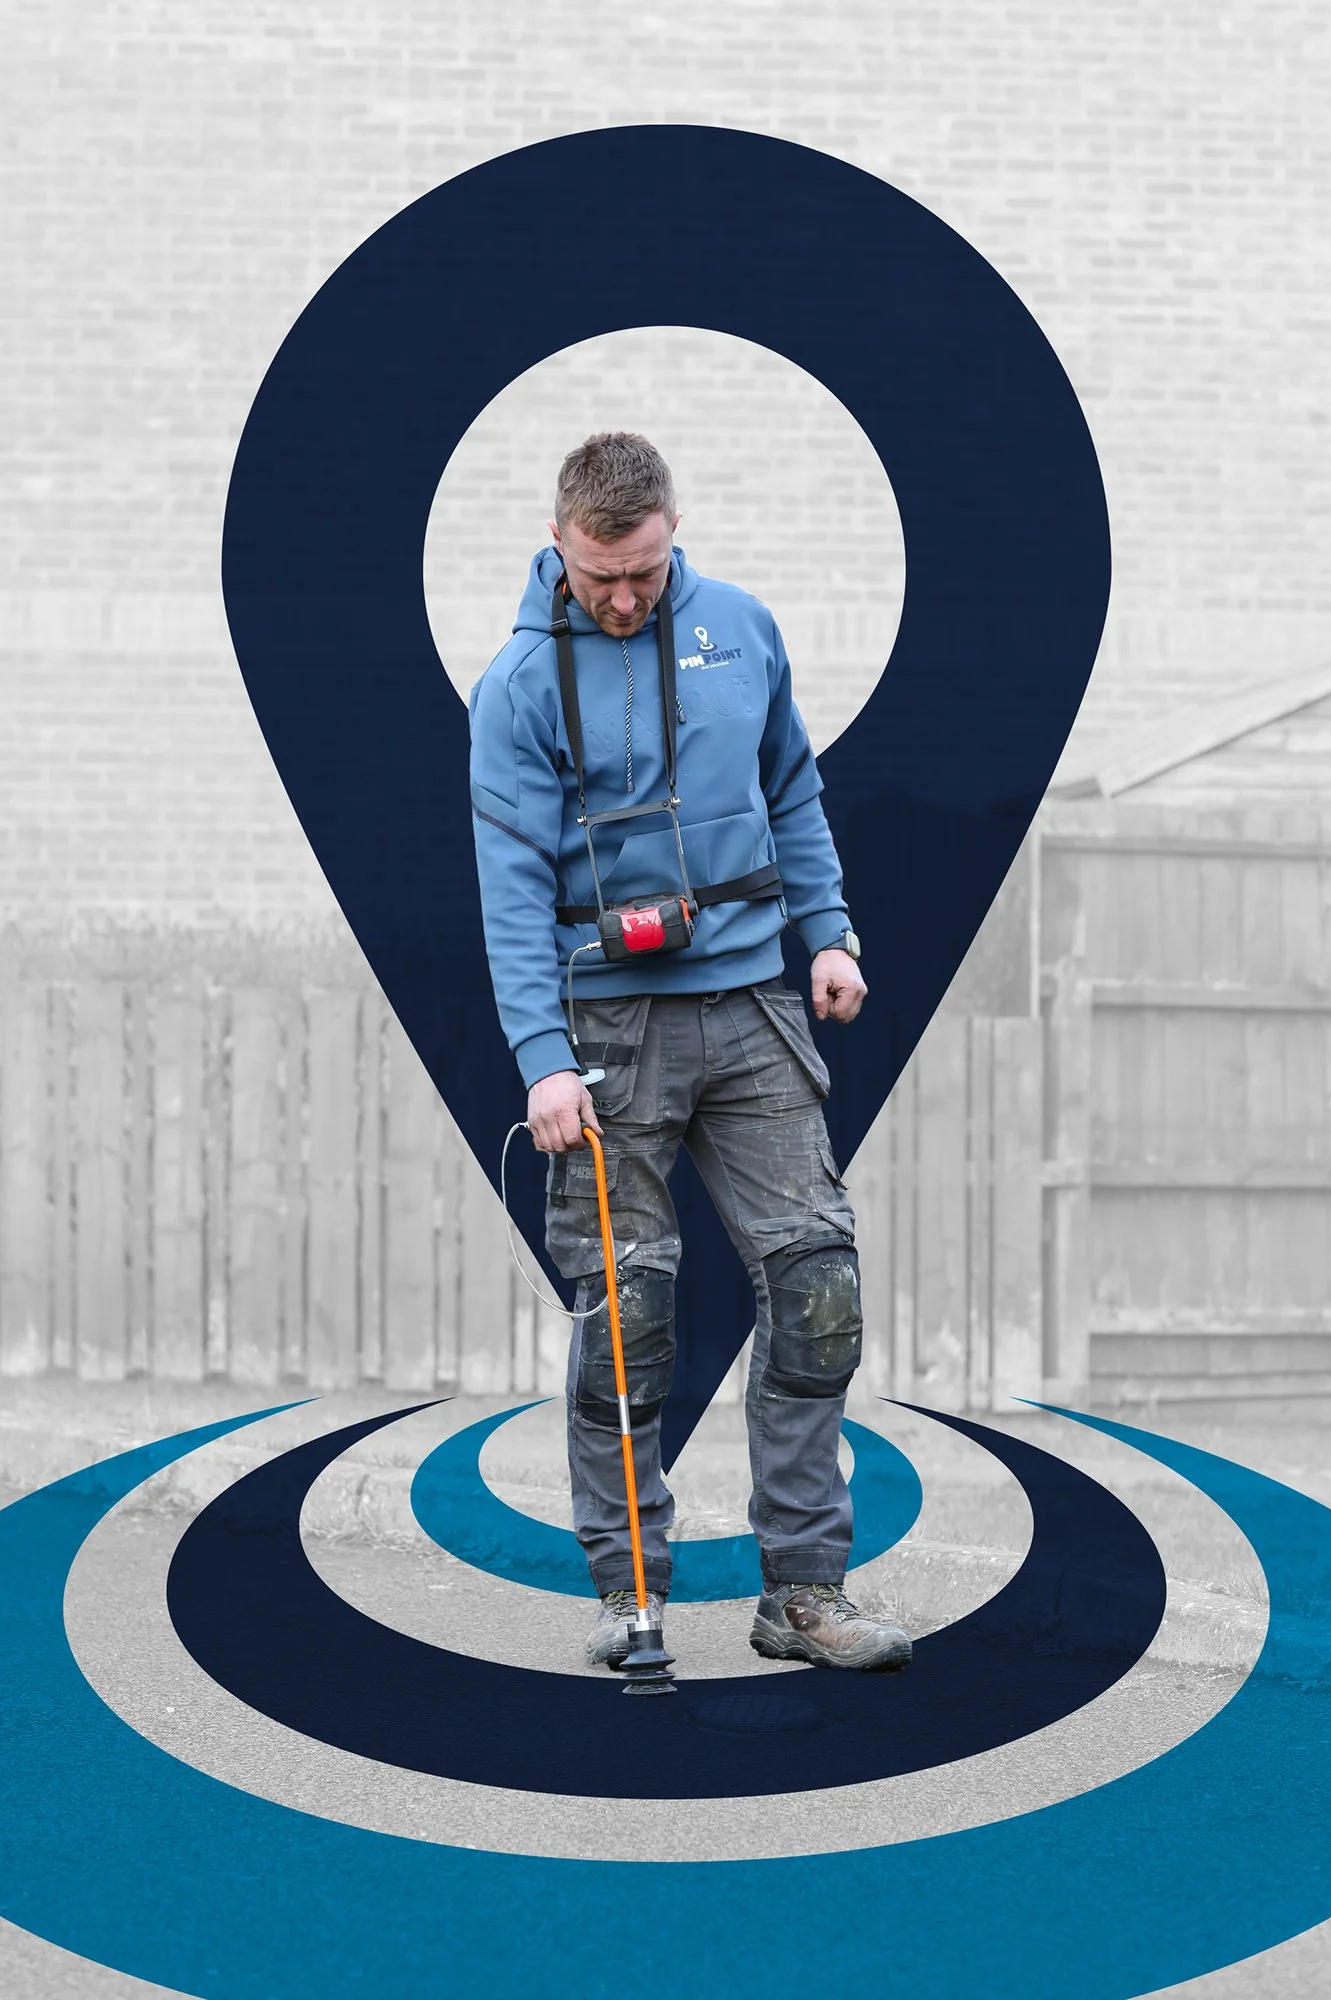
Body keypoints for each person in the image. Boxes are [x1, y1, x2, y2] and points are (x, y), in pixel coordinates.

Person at [468, 431, 911, 1676]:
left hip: (753, 1007)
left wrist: (827, 932)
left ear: (673, 531)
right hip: (608, 1031)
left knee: (818, 1284)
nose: (625, 597)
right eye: (603, 575)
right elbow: (508, 887)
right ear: (559, 540)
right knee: (630, 1315)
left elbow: (794, 791)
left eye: (647, 572)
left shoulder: (744, 630)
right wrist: (540, 1055)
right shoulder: (516, 688)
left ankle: (805, 1593)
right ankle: (630, 1594)